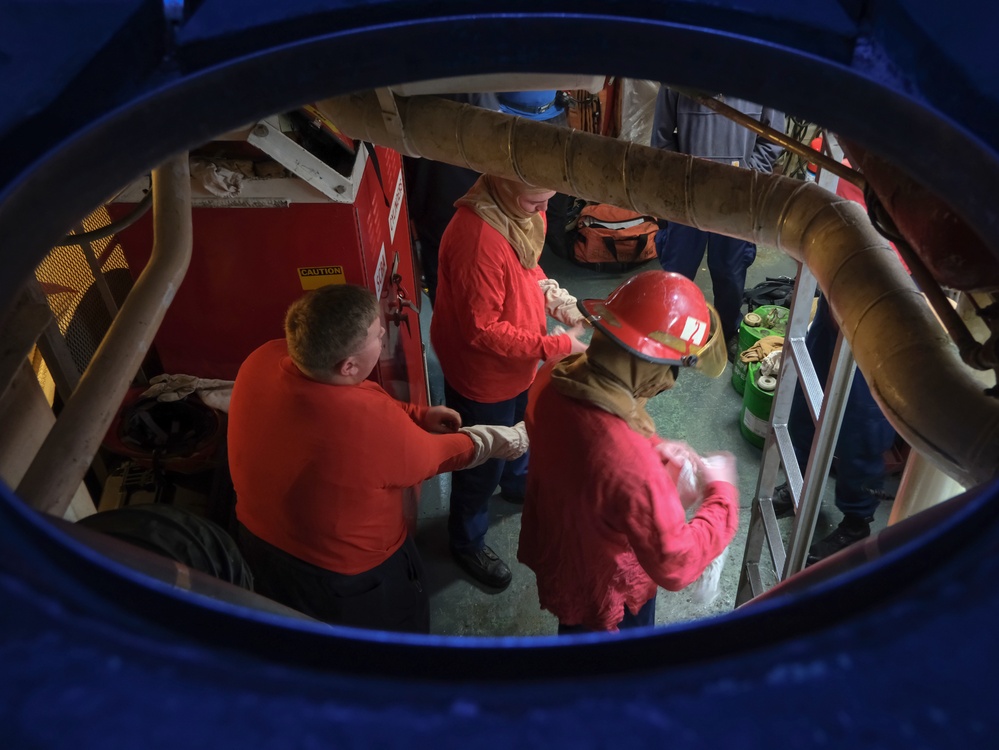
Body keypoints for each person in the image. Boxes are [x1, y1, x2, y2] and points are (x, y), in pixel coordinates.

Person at [227, 283, 528, 633]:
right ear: (349, 365)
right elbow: (436, 456)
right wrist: (498, 439)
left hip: (257, 546)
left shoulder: (264, 358)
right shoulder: (360, 429)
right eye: (376, 334)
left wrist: (417, 413)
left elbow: (359, 399)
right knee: (395, 639)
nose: (384, 333)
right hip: (344, 576)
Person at [518, 270, 740, 633]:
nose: (668, 382)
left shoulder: (553, 375)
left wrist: (654, 446)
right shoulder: (631, 464)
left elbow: (589, 443)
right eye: (671, 369)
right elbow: (676, 562)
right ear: (648, 364)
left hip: (566, 548)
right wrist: (722, 495)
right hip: (612, 585)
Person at [430, 174, 589, 590]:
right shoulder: (478, 240)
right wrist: (555, 346)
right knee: (481, 462)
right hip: (484, 376)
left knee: (524, 422)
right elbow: (482, 332)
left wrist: (558, 302)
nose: (542, 212)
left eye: (547, 202)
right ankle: (466, 540)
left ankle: (518, 482)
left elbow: (527, 267)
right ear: (504, 186)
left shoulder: (512, 213)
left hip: (519, 364)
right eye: (534, 203)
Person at [776, 148, 899, 565]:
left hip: (880, 298)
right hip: (833, 289)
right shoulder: (840, 147)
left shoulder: (912, 165)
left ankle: (855, 522)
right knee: (802, 394)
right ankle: (797, 481)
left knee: (862, 419)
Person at [650, 86, 785, 361]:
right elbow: (661, 138)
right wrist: (684, 177)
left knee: (730, 270)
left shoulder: (763, 78)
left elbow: (774, 140)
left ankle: (727, 332)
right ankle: (671, 328)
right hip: (688, 196)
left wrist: (746, 175)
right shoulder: (678, 78)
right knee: (678, 266)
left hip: (736, 199)